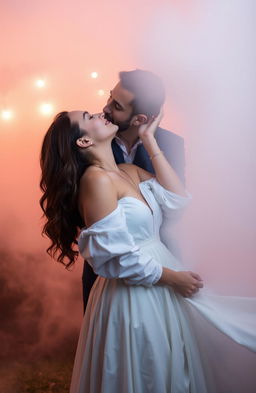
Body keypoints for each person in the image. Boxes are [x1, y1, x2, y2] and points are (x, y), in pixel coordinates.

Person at [40, 110, 256, 393]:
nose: (99, 112)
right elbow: (114, 257)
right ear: (83, 142)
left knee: (173, 364)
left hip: (161, 278)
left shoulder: (127, 171)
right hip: (134, 292)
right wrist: (171, 278)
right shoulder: (96, 181)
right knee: (147, 367)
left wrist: (148, 140)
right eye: (88, 116)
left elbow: (178, 201)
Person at [83, 69, 185, 311]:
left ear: (140, 119)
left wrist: (150, 140)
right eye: (109, 97)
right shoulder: (90, 135)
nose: (105, 108)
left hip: (163, 264)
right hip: (109, 273)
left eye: (116, 105)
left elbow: (176, 208)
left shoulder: (172, 144)